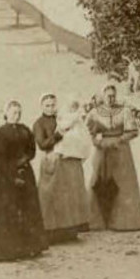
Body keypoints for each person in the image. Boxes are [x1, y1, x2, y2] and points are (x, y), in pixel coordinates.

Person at [0, 100, 49, 262]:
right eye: (13, 113)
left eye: (19, 112)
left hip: (26, 173)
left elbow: (32, 150)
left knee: (28, 209)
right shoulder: (0, 133)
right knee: (7, 212)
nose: (16, 116)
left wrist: (24, 160)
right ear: (6, 114)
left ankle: (29, 248)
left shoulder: (25, 130)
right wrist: (12, 171)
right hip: (6, 177)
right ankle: (6, 250)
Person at [86, 81, 140, 231]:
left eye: (113, 96)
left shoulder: (124, 111)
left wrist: (120, 139)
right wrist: (96, 141)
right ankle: (97, 222)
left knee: (123, 183)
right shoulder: (94, 112)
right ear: (102, 96)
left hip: (121, 150)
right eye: (107, 96)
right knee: (98, 182)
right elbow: (88, 131)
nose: (110, 99)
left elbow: (133, 131)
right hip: (102, 149)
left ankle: (123, 222)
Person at [34, 93, 90, 244]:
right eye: (47, 105)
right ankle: (51, 232)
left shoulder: (64, 117)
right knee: (50, 196)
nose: (51, 108)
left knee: (69, 197)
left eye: (53, 105)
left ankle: (69, 231)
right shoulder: (39, 123)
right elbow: (42, 144)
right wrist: (58, 135)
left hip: (67, 160)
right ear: (41, 106)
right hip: (51, 160)